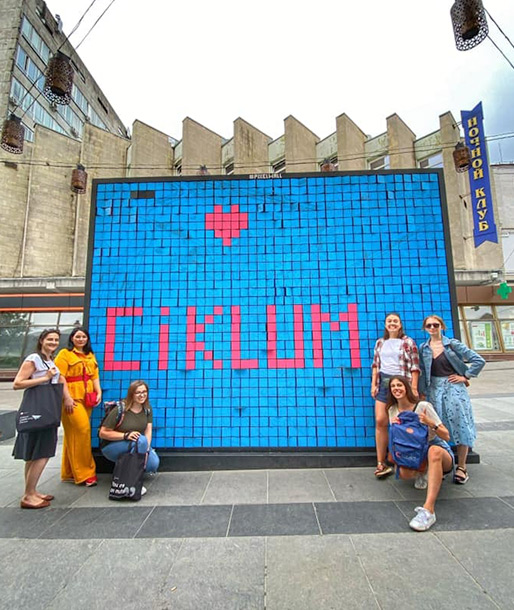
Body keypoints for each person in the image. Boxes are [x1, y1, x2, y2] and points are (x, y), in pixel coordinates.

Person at [419, 315, 485, 485]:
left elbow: (478, 360)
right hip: (434, 389)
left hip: (453, 388)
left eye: (435, 325)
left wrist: (466, 376)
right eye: (429, 325)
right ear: (425, 328)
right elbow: (423, 371)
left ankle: (462, 466)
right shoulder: (424, 348)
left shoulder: (452, 344)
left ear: (442, 326)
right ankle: (442, 464)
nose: (432, 328)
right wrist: (422, 392)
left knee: (460, 423)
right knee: (437, 426)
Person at [12, 329, 74, 509]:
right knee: (42, 453)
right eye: (49, 339)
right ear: (41, 340)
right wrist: (45, 378)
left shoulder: (48, 360)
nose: (53, 342)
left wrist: (67, 396)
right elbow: (17, 383)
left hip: (46, 410)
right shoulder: (34, 359)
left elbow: (60, 379)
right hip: (40, 410)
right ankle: (29, 496)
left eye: (56, 340)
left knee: (33, 454)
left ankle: (31, 491)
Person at [387, 375, 454, 531]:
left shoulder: (423, 406)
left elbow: (446, 436)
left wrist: (430, 423)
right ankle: (426, 471)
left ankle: (428, 510)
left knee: (434, 452)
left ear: (407, 388)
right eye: (393, 386)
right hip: (415, 452)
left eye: (399, 385)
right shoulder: (392, 410)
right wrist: (395, 429)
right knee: (404, 474)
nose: (396, 389)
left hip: (436, 448)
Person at [371, 313, 420, 478]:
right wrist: (373, 384)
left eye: (395, 321)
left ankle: (405, 461)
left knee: (404, 421)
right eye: (389, 321)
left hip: (402, 382)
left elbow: (415, 366)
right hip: (384, 383)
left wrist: (413, 387)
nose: (392, 323)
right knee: (380, 420)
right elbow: (375, 365)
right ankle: (381, 462)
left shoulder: (408, 342)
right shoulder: (380, 342)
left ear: (400, 324)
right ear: (385, 324)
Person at [55, 327, 102, 487]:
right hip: (71, 399)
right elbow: (60, 376)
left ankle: (69, 472)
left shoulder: (90, 355)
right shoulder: (65, 354)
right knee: (83, 430)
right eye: (78, 336)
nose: (81, 339)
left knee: (73, 434)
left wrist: (98, 391)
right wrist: (66, 397)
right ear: (72, 338)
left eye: (83, 337)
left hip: (87, 398)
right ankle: (86, 473)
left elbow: (94, 375)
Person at [99, 380, 159, 490]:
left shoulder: (147, 408)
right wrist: (125, 436)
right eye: (138, 392)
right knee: (141, 440)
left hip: (136, 443)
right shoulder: (120, 409)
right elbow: (103, 433)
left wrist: (146, 450)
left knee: (152, 463)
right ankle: (131, 481)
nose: (142, 395)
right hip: (112, 446)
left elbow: (148, 430)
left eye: (144, 392)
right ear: (131, 394)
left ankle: (125, 469)